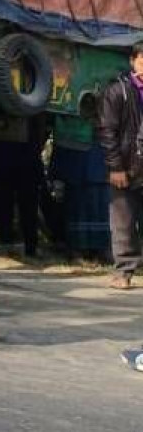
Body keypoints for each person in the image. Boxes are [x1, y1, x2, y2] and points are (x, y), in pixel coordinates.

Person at [96, 43, 143, 291]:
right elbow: (107, 131)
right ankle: (124, 272)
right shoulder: (118, 92)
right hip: (126, 165)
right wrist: (115, 167)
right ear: (133, 61)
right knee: (123, 220)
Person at [0, 113, 49, 257]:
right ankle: (9, 242)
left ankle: (28, 244)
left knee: (24, 198)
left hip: (20, 143)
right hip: (1, 139)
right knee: (4, 196)